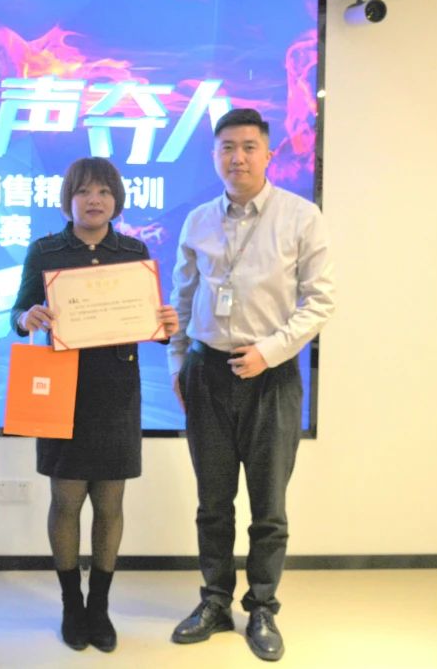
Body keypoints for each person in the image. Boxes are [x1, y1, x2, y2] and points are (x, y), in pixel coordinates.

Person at [168, 108, 335, 662]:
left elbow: (321, 301)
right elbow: (183, 299)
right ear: (214, 155)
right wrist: (177, 365)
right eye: (226, 148)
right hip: (207, 372)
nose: (236, 157)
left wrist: (270, 351)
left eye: (247, 147)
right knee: (213, 503)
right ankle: (215, 601)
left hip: (272, 375)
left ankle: (262, 606)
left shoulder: (301, 217)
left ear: (268, 153)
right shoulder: (198, 221)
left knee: (269, 505)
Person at [12, 157, 179, 653]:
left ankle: (99, 607)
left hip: (115, 391)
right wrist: (27, 317)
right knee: (66, 500)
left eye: (104, 192)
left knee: (110, 503)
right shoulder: (46, 250)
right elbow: (18, 313)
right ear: (69, 198)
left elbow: (147, 321)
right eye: (84, 191)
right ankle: (71, 605)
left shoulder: (132, 251)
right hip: (60, 389)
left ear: (116, 200)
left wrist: (164, 325)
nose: (94, 200)